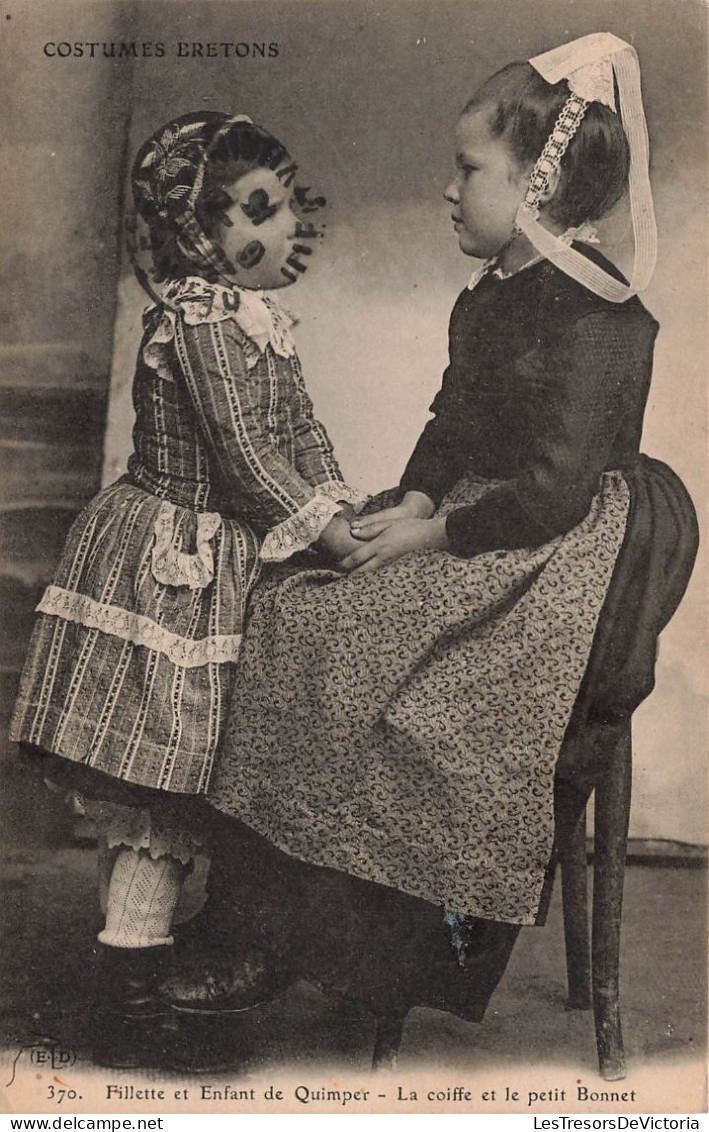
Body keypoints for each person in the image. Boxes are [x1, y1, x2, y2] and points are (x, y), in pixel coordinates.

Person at [201, 35, 697, 1024]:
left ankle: (351, 953)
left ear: (535, 183)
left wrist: (431, 539)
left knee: (379, 666)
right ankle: (260, 928)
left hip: (563, 561)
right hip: (482, 523)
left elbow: (555, 489)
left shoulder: (601, 315)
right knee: (297, 605)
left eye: (467, 169)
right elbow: (448, 424)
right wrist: (420, 501)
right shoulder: (489, 298)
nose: (447, 189)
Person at [9, 110, 364, 1069]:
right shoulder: (198, 316)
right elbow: (244, 458)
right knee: (155, 786)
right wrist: (326, 532)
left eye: (287, 207)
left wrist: (346, 504)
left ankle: (155, 978)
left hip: (224, 562)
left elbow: (298, 431)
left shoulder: (260, 320)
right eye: (261, 209)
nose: (286, 226)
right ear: (199, 230)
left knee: (188, 786)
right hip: (169, 563)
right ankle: (128, 999)